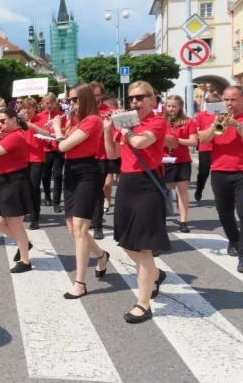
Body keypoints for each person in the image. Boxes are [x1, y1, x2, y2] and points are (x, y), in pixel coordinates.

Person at [104, 81, 169, 323]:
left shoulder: (157, 122)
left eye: (142, 97)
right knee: (126, 242)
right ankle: (155, 273)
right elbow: (112, 154)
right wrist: (107, 128)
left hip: (147, 184)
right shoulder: (126, 124)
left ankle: (143, 304)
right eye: (132, 98)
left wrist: (126, 129)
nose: (135, 102)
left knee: (143, 247)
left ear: (153, 100)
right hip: (127, 183)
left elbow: (141, 143)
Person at [198, 86, 243, 274]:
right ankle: (234, 240)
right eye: (226, 99)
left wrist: (238, 125)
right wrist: (214, 125)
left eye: (233, 99)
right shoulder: (215, 117)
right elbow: (202, 140)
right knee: (224, 212)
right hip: (219, 171)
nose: (229, 103)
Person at [53, 84, 109, 299]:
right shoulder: (75, 121)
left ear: (85, 99)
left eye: (75, 100)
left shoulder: (93, 120)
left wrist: (58, 129)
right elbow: (61, 143)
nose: (71, 104)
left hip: (88, 172)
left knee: (80, 227)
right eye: (70, 100)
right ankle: (102, 255)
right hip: (71, 171)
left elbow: (64, 146)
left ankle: (80, 282)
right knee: (73, 229)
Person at [0, 107, 34, 274]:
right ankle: (24, 244)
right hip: (3, 181)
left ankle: (25, 261)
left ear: (14, 119)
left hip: (15, 181)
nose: (1, 124)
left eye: (4, 120)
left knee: (15, 224)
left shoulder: (16, 136)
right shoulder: (6, 136)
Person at [163, 95, 197, 233]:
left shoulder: (188, 122)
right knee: (163, 190)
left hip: (182, 160)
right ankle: (161, 218)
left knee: (182, 190)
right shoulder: (160, 121)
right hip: (164, 160)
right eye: (169, 106)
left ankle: (183, 220)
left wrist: (175, 140)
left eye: (174, 106)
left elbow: (194, 142)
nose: (171, 109)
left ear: (180, 107)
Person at [90, 82, 116, 240]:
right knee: (89, 191)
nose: (94, 98)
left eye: (97, 95)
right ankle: (92, 218)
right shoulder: (82, 111)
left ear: (102, 96)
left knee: (99, 190)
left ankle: (98, 225)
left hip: (102, 156)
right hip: (85, 156)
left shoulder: (110, 112)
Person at [21, 97, 48, 230]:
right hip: (22, 159)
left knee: (34, 187)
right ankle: (25, 211)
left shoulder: (40, 119)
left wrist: (33, 126)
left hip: (37, 158)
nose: (26, 111)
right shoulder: (20, 121)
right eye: (24, 108)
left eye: (29, 108)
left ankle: (34, 217)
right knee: (24, 187)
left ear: (34, 108)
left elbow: (47, 133)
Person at [194, 92, 222, 201]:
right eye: (211, 103)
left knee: (218, 173)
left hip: (219, 147)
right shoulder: (202, 115)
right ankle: (199, 189)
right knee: (203, 172)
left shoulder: (223, 114)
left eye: (216, 103)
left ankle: (220, 195)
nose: (214, 105)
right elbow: (197, 131)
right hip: (205, 148)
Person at [40, 92, 64, 212]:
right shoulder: (40, 116)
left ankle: (56, 202)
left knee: (58, 176)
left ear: (55, 103)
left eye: (51, 103)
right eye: (46, 103)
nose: (48, 105)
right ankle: (47, 195)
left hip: (57, 149)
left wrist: (56, 126)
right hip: (44, 149)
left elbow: (65, 130)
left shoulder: (60, 115)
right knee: (45, 176)